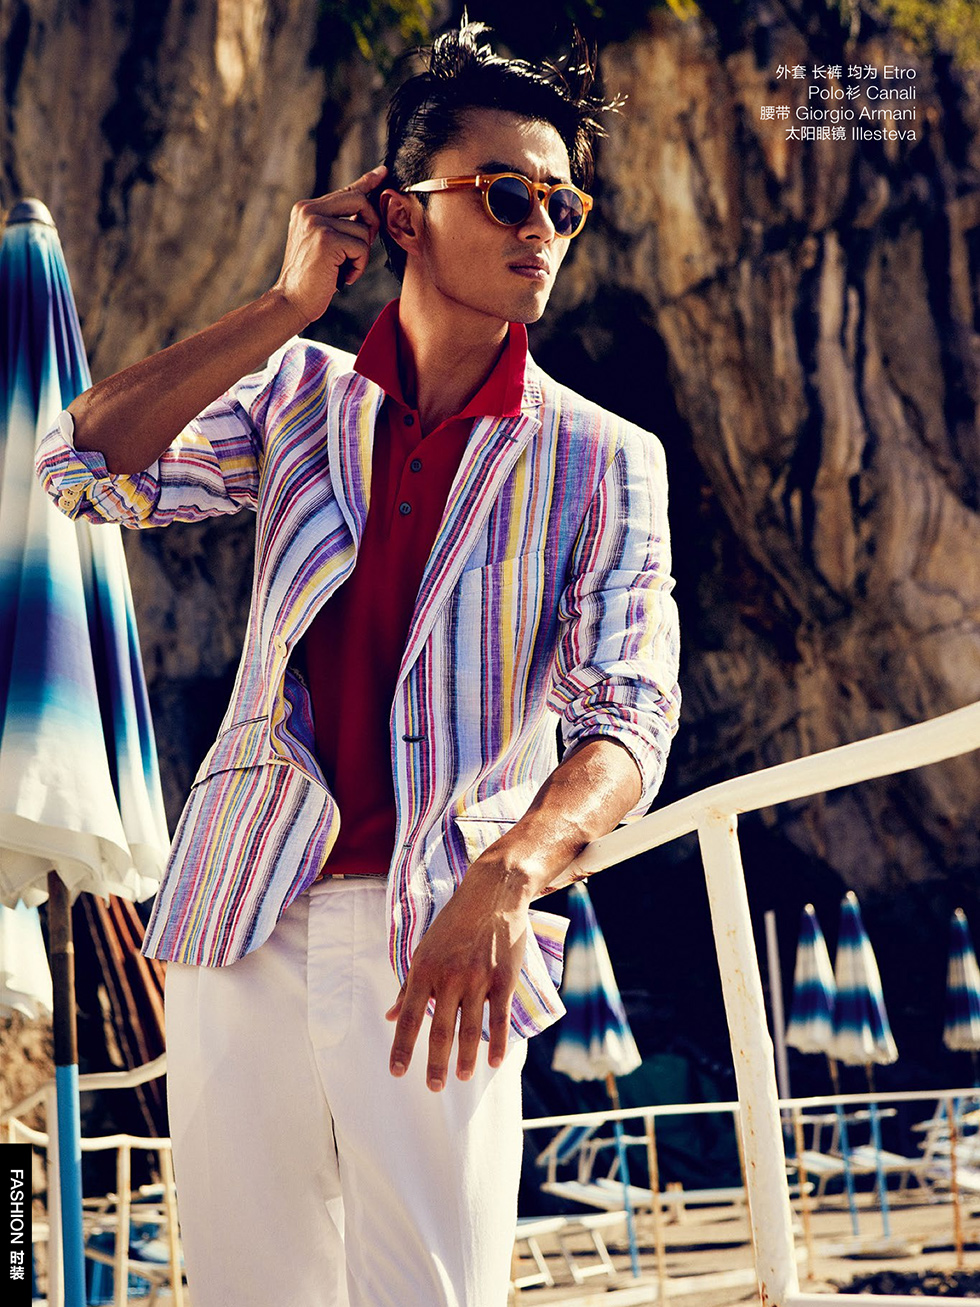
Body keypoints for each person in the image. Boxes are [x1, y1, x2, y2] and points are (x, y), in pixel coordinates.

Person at [37, 19, 680, 1307]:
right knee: (250, 1289)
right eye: (507, 195)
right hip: (244, 913)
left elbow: (629, 713)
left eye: (564, 203)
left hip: (448, 929)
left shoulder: (604, 458)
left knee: (435, 1293)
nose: (543, 229)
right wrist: (286, 307)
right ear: (400, 215)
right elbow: (82, 469)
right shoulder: (296, 396)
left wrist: (511, 873)